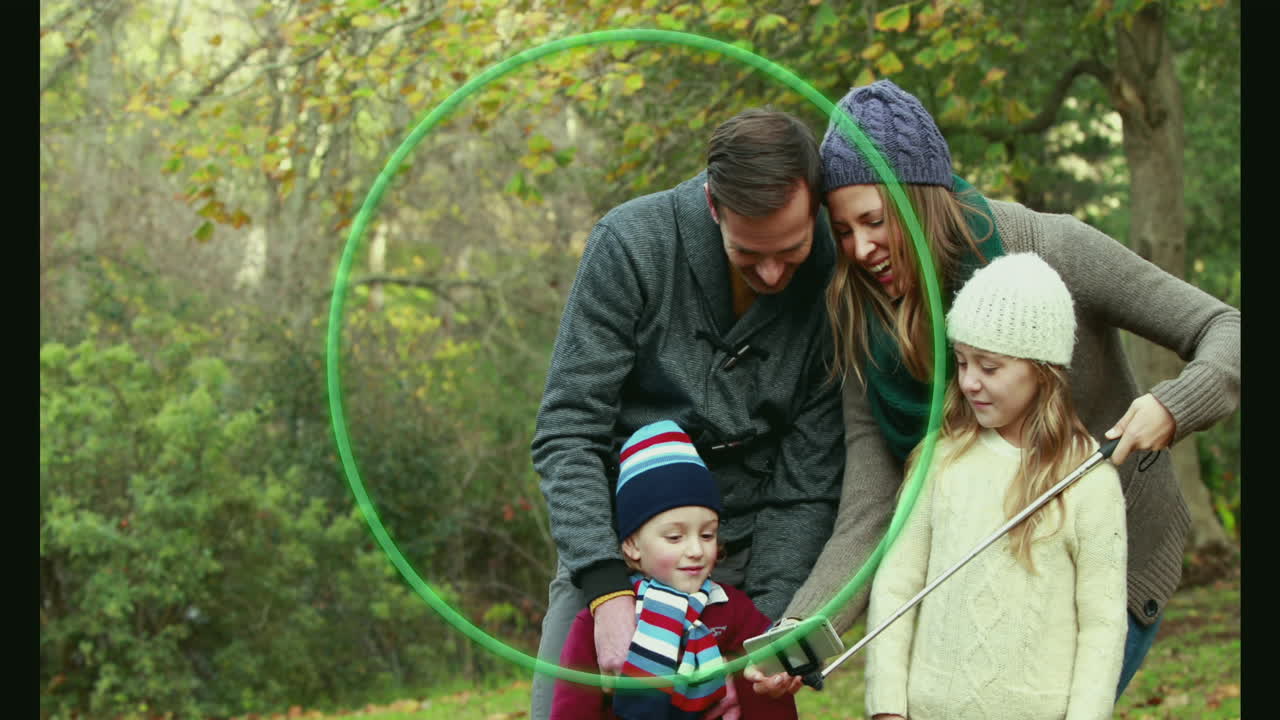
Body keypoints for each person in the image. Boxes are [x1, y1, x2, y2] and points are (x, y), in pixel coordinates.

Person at [780, 79, 1240, 698]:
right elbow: (873, 501)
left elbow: (1227, 327)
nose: (859, 249)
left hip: (1102, 565)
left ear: (922, 203)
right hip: (977, 579)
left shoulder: (1052, 248)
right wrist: (804, 632)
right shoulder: (862, 317)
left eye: (875, 220)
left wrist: (1174, 405)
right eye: (841, 231)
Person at [529, 108, 846, 719]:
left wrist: (767, 633)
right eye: (749, 254)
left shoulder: (836, 278)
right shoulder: (632, 246)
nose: (775, 273)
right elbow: (569, 429)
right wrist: (606, 590)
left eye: (793, 249)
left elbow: (807, 479)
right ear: (712, 207)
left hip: (747, 552)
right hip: (618, 547)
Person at [865, 253, 1127, 720]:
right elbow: (895, 587)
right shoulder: (940, 459)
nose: (968, 382)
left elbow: (1103, 625)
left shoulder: (1088, 482)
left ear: (1042, 372)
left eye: (989, 367)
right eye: (962, 362)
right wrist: (888, 705)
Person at [551, 420, 799, 720]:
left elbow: (766, 689)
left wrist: (777, 677)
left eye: (707, 535)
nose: (696, 550)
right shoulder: (597, 625)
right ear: (632, 545)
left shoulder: (733, 610)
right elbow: (573, 710)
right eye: (674, 537)